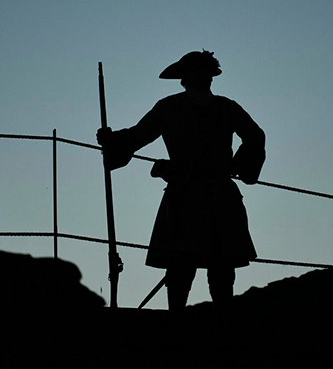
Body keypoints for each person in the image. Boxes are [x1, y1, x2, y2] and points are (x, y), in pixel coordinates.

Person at [96, 50, 265, 312]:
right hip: (201, 196)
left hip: (201, 195)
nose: (202, 76)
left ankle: (206, 316)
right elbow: (137, 136)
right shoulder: (179, 107)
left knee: (209, 266)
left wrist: (238, 169)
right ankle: (192, 316)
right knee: (191, 266)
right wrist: (113, 140)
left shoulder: (204, 107)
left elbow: (255, 137)